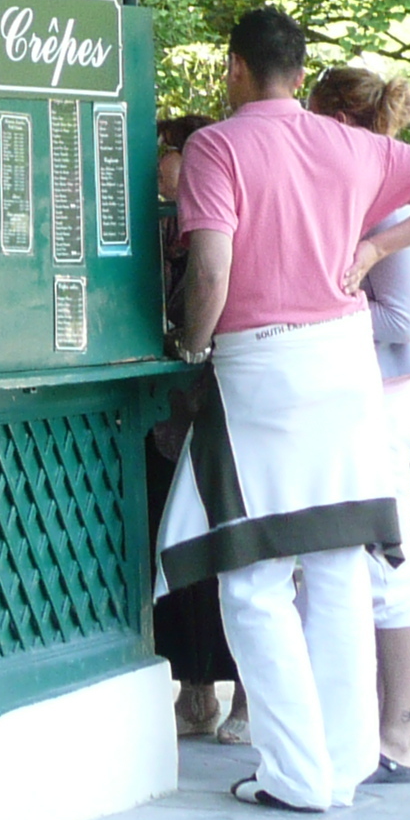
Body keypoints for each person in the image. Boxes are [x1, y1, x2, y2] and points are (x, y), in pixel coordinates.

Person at [159, 10, 410, 813]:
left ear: (236, 69)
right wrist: (376, 249)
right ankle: (344, 767)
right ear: (301, 75)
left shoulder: (218, 145)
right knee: (342, 566)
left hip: (260, 365)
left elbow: (210, 268)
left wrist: (191, 346)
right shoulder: (353, 145)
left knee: (254, 577)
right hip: (347, 363)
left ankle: (294, 774)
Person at [308, 66, 410, 783]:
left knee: (392, 565)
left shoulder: (390, 209)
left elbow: (399, 322)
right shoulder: (347, 196)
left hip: (382, 400)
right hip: (341, 397)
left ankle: (399, 739)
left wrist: (317, 310)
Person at [146, 115, 241, 740]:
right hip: (166, 419)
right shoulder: (155, 231)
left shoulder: (225, 221)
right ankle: (195, 690)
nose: (156, 164)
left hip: (221, 411)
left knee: (235, 556)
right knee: (174, 554)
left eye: (167, 151)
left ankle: (253, 697)